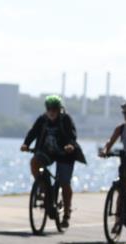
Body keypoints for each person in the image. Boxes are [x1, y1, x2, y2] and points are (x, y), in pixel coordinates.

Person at [20, 95, 85, 228]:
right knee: (34, 163)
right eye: (49, 109)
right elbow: (33, 132)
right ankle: (45, 190)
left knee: (64, 182)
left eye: (54, 109)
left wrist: (70, 145)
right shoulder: (42, 119)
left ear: (60, 108)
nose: (52, 112)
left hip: (65, 154)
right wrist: (26, 144)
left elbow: (72, 135)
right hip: (47, 152)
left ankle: (66, 213)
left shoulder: (65, 119)